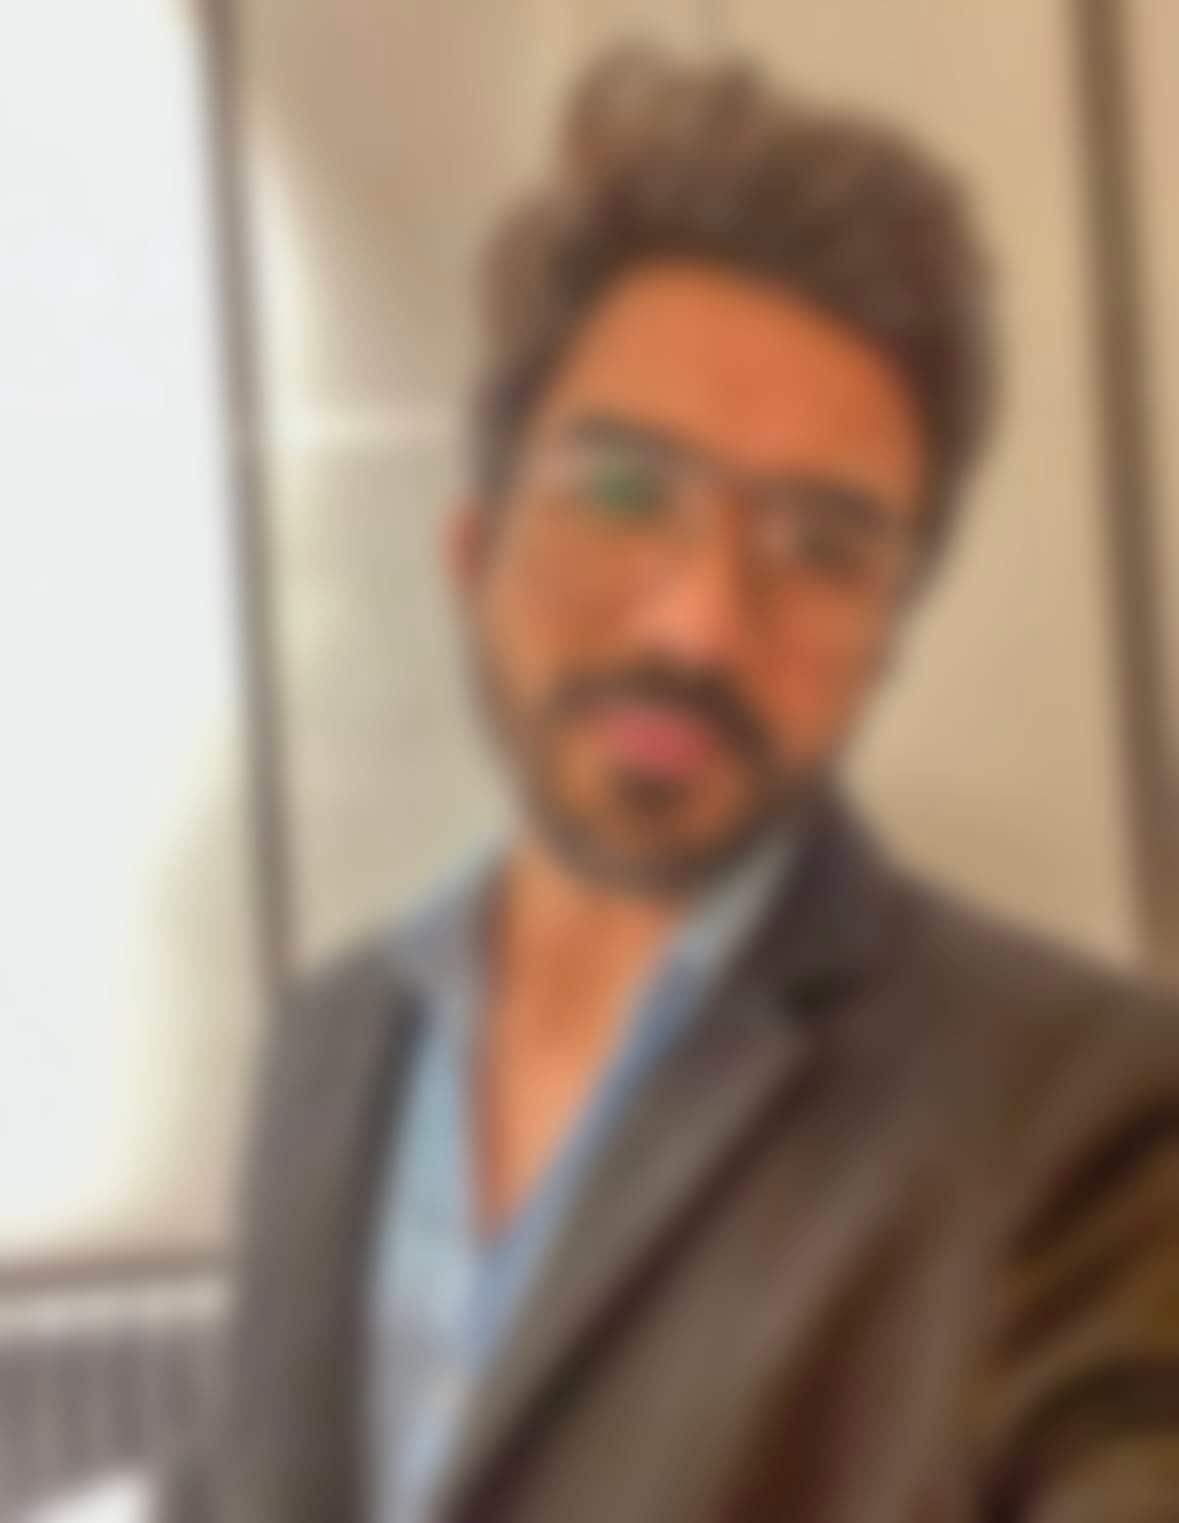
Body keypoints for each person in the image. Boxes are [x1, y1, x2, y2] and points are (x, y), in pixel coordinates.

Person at [164, 43, 1179, 1523]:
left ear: (887, 637)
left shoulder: (1089, 1124)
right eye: (625, 492)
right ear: (475, 551)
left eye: (822, 548)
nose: (701, 624)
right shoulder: (329, 1046)